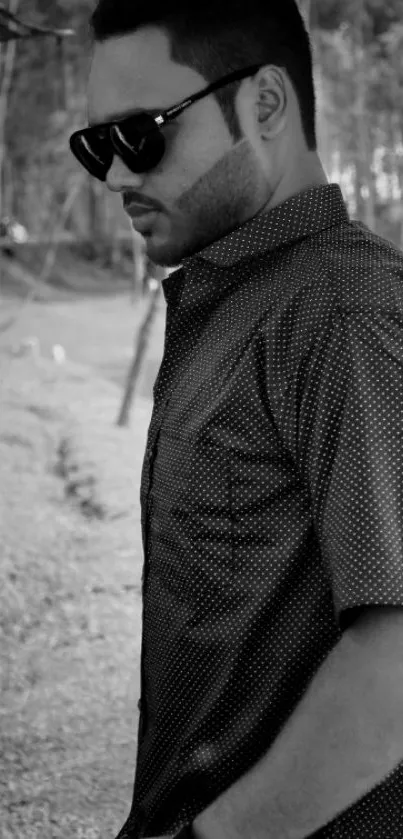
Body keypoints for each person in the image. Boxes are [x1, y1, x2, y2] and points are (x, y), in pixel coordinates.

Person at [69, 1, 403, 837]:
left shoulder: (339, 310)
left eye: (139, 134)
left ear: (263, 105)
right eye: (94, 146)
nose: (113, 176)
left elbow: (395, 660)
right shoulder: (240, 300)